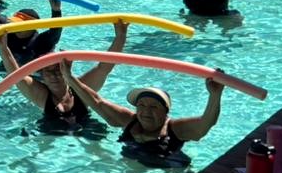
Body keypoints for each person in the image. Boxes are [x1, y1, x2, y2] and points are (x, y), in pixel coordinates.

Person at [61, 68, 225, 167]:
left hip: (170, 171)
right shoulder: (129, 120)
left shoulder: (175, 129)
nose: (146, 111)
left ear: (165, 112)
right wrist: (69, 77)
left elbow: (206, 122)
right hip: (133, 165)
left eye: (154, 107)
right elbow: (97, 101)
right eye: (142, 105)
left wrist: (215, 95)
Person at [0, 20, 126, 134]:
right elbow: (16, 75)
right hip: (51, 136)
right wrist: (3, 47)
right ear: (42, 76)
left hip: (84, 131)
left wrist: (120, 36)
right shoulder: (41, 95)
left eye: (58, 70)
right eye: (48, 72)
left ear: (66, 71)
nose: (53, 75)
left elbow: (105, 67)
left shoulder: (81, 90)